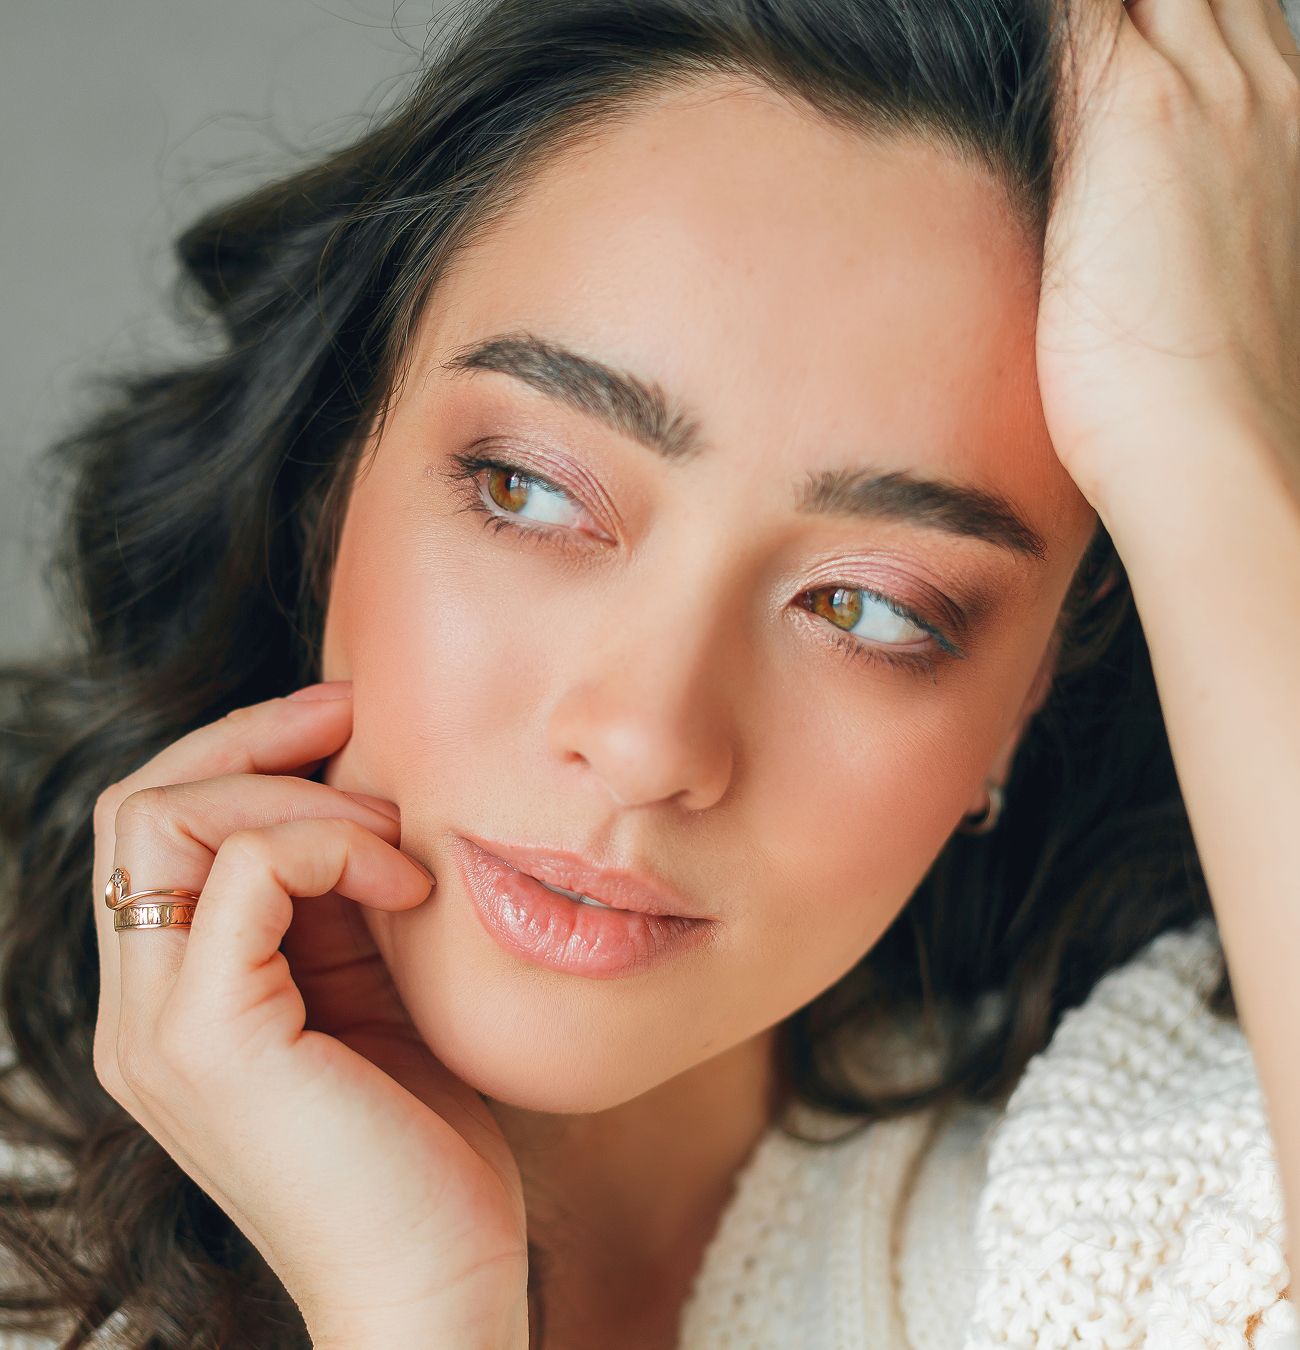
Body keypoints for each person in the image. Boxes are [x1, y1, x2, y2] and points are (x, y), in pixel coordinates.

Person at [1, 0, 1298, 1345]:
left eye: (865, 605)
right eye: (533, 491)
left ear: (1026, 697)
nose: (644, 738)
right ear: (338, 468)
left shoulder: (1166, 1222)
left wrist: (1206, 431)